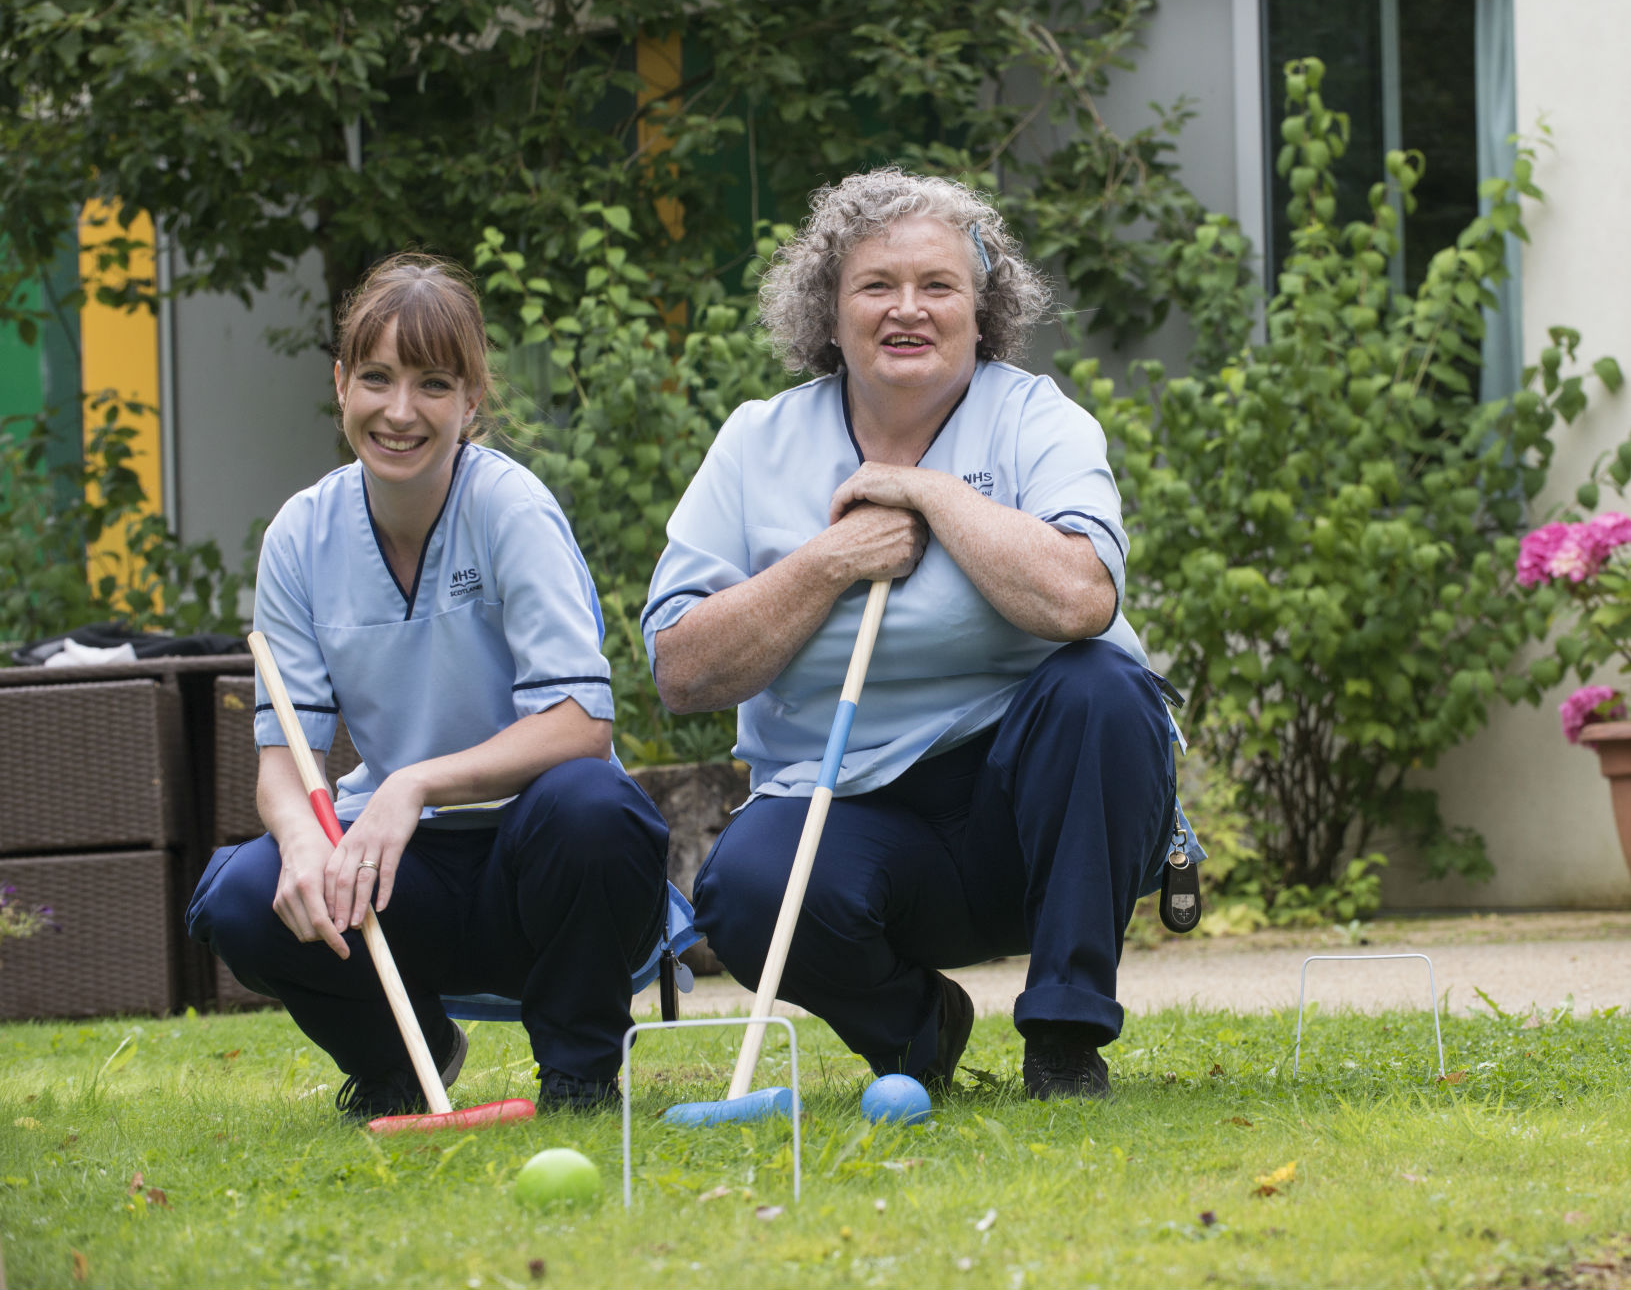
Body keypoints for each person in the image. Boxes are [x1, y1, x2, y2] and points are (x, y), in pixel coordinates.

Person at [644, 169, 1196, 1101]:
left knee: (1100, 686)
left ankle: (1065, 1041)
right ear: (829, 310)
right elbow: (682, 668)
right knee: (743, 891)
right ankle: (916, 1030)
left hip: (1034, 814)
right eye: (876, 286)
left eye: (938, 286)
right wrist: (830, 560)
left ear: (983, 313)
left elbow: (1081, 600)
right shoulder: (756, 443)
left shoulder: (1033, 418)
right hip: (844, 806)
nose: (909, 309)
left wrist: (928, 492)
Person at [187, 254, 692, 1121]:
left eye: (431, 383)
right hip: (401, 878)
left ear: (471, 400)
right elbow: (285, 764)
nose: (399, 410)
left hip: (539, 863)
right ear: (341, 383)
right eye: (376, 378)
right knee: (240, 895)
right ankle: (402, 1061)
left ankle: (578, 1075)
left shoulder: (511, 509)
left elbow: (581, 726)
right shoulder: (300, 537)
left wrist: (413, 783)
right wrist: (303, 842)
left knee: (591, 806)